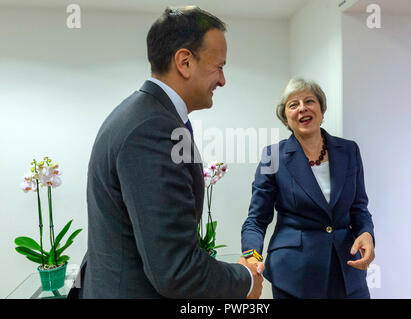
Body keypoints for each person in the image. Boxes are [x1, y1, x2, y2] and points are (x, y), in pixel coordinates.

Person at [68, 6, 264, 299]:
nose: (222, 80)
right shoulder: (153, 128)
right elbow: (176, 272)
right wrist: (245, 279)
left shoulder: (139, 114)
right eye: (219, 67)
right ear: (185, 62)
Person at [241, 77, 375, 299]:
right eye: (293, 105)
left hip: (347, 267)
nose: (302, 108)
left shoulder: (349, 150)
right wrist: (251, 254)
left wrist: (366, 233)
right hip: (294, 274)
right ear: (286, 118)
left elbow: (359, 208)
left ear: (322, 110)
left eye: (309, 101)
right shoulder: (272, 156)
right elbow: (256, 219)